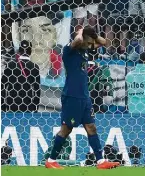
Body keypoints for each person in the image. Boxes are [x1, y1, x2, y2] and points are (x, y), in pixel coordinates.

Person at [45, 27, 119, 169]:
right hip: (72, 95)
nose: (91, 44)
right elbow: (78, 40)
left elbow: (104, 42)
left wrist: (93, 35)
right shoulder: (69, 50)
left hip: (84, 97)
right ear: (83, 38)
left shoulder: (84, 50)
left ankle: (101, 162)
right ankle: (51, 160)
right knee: (67, 129)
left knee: (91, 127)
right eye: (89, 41)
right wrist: (81, 31)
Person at [1, 40, 40, 112]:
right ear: (30, 51)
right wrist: (35, 107)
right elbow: (37, 90)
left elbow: (3, 86)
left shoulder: (10, 65)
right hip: (28, 104)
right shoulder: (35, 67)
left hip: (11, 104)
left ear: (19, 51)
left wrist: (3, 105)